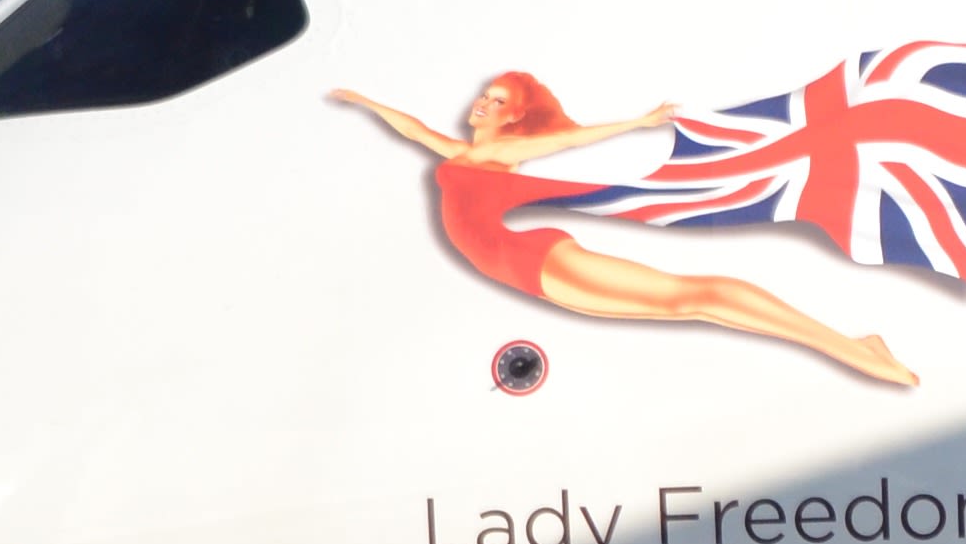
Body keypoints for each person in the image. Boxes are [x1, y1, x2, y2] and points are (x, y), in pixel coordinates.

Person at [333, 76, 920, 385]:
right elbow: (412, 129)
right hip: (524, 270)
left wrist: (639, 122)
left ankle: (857, 352)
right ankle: (855, 349)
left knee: (697, 297)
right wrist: (364, 101)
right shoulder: (459, 153)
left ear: (513, 118)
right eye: (484, 96)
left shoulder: (509, 151)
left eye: (498, 101)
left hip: (536, 260)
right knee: (693, 304)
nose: (483, 104)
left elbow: (572, 140)